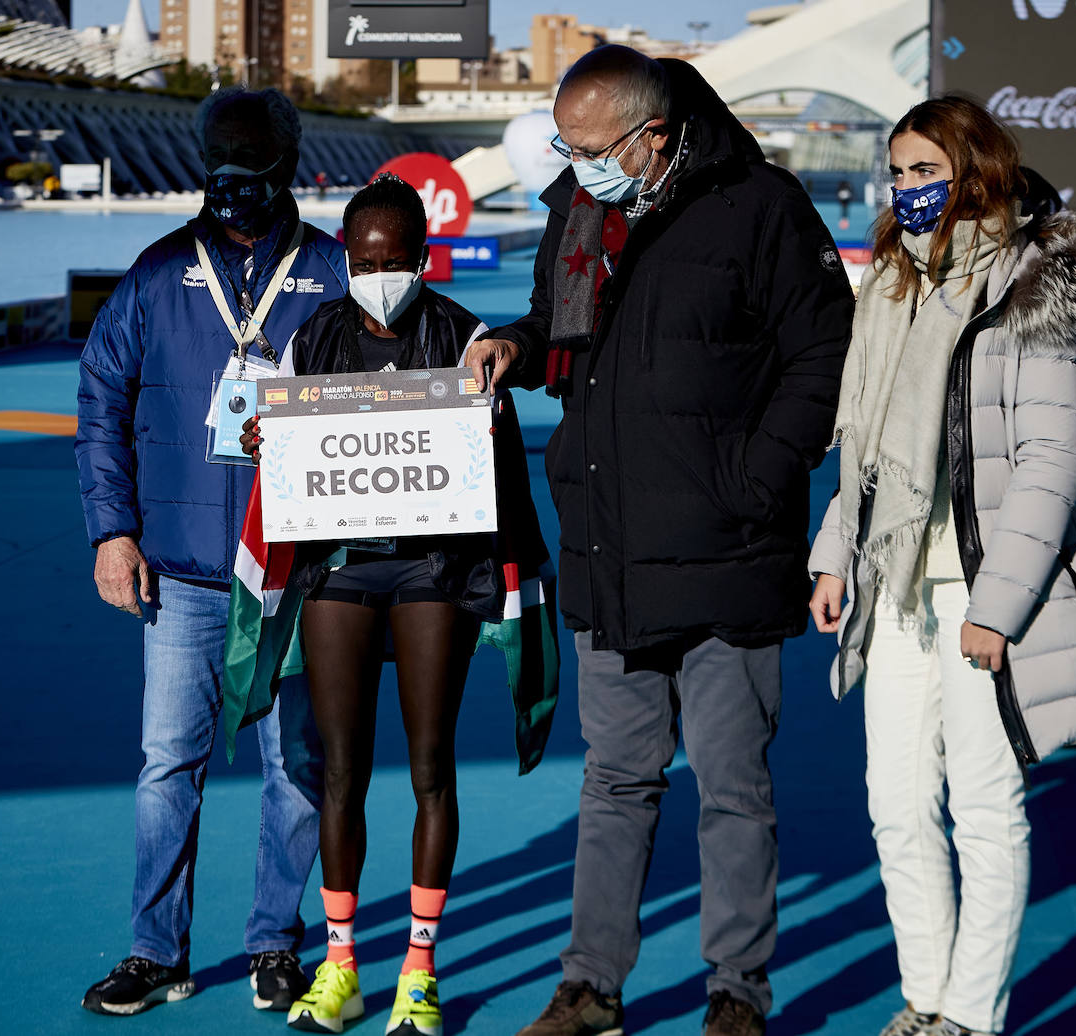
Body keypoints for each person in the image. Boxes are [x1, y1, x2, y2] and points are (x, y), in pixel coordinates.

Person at [467, 45, 855, 1036]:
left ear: (656, 133)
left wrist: (760, 478)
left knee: (733, 790)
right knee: (613, 783)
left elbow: (825, 353)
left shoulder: (762, 207)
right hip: (609, 551)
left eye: (593, 147)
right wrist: (517, 344)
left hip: (729, 553)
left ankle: (738, 994)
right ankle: (589, 984)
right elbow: (567, 330)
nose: (578, 163)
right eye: (566, 145)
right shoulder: (578, 206)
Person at [807, 96, 1076, 1036]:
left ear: (974, 172)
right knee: (896, 806)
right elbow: (861, 444)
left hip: (983, 589)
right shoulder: (892, 285)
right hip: (893, 579)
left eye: (925, 172)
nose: (906, 190)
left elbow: (1050, 458)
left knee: (986, 807)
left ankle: (972, 1016)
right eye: (898, 172)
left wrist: (999, 605)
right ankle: (923, 998)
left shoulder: (1033, 283)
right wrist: (836, 555)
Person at [240, 173, 553, 1036]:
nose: (380, 273)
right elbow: (274, 455)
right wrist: (264, 437)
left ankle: (419, 968)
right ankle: (341, 966)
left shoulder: (463, 336)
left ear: (423, 257)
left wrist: (485, 427)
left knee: (429, 767)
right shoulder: (314, 337)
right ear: (346, 257)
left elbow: (500, 472)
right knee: (340, 770)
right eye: (364, 259)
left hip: (434, 575)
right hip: (339, 572)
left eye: (396, 260)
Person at [74, 85, 348, 1016]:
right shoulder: (155, 275)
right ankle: (156, 950)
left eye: (254, 173)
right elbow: (99, 404)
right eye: (220, 173)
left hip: (297, 571)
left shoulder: (335, 271)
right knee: (166, 767)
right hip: (184, 571)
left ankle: (277, 942)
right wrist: (113, 531)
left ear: (287, 166)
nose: (235, 192)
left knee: (298, 767)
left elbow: (403, 384)